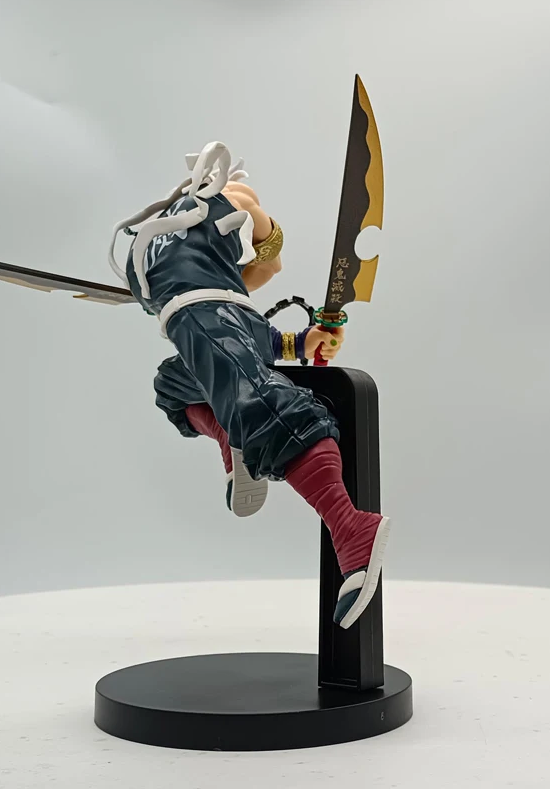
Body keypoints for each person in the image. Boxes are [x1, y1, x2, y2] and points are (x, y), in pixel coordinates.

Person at [108, 142, 391, 629]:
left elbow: (268, 261)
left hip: (206, 314)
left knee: (267, 407)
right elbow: (258, 298)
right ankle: (229, 437)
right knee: (174, 387)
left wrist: (257, 232)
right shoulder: (171, 222)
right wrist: (303, 343)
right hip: (212, 319)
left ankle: (351, 528)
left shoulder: (227, 200)